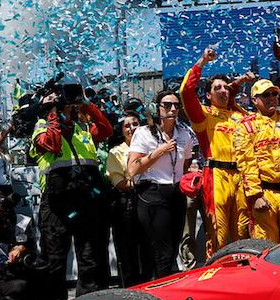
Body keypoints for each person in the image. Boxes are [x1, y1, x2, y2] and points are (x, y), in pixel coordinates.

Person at [31, 83, 113, 300]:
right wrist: (52, 112)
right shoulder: (41, 125)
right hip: (57, 201)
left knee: (89, 256)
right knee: (54, 257)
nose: (65, 98)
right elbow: (53, 143)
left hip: (86, 197)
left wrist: (87, 104)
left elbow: (106, 130)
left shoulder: (82, 127)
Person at [180, 47, 251, 253]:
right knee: (218, 232)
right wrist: (202, 61)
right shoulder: (204, 116)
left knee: (243, 230)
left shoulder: (241, 115)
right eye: (217, 88)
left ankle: (244, 273)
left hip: (242, 176)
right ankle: (216, 272)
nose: (223, 91)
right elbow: (186, 91)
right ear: (208, 95)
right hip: (217, 176)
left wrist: (237, 84)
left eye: (225, 88)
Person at [128, 91, 197, 278]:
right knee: (161, 252)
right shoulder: (143, 133)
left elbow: (186, 163)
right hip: (152, 194)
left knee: (173, 247)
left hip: (175, 193)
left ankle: (165, 288)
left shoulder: (184, 133)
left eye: (176, 105)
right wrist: (159, 152)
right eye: (167, 105)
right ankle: (160, 292)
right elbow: (133, 169)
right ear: (156, 108)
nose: (173, 109)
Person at [232, 80, 280, 242]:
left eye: (274, 94)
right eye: (265, 95)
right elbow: (246, 163)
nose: (271, 98)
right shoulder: (246, 126)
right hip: (265, 195)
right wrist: (255, 196)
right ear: (254, 100)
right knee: (266, 245)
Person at [105, 113, 148, 285]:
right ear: (121, 131)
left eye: (135, 124)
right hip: (126, 207)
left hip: (150, 203)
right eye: (127, 126)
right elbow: (120, 183)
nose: (132, 128)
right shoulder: (116, 152)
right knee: (127, 252)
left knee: (147, 250)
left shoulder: (151, 147)